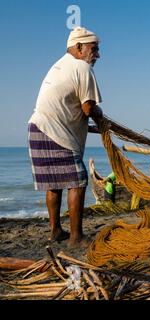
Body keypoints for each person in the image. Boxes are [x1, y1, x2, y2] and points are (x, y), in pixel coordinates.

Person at [27, 27, 103, 247]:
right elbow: (88, 108)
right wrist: (101, 119)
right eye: (94, 49)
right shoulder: (82, 67)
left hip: (37, 128)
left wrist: (91, 128)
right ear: (79, 47)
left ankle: (55, 231)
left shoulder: (59, 65)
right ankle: (76, 237)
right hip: (55, 132)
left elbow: (67, 110)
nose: (97, 55)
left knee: (54, 183)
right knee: (78, 180)